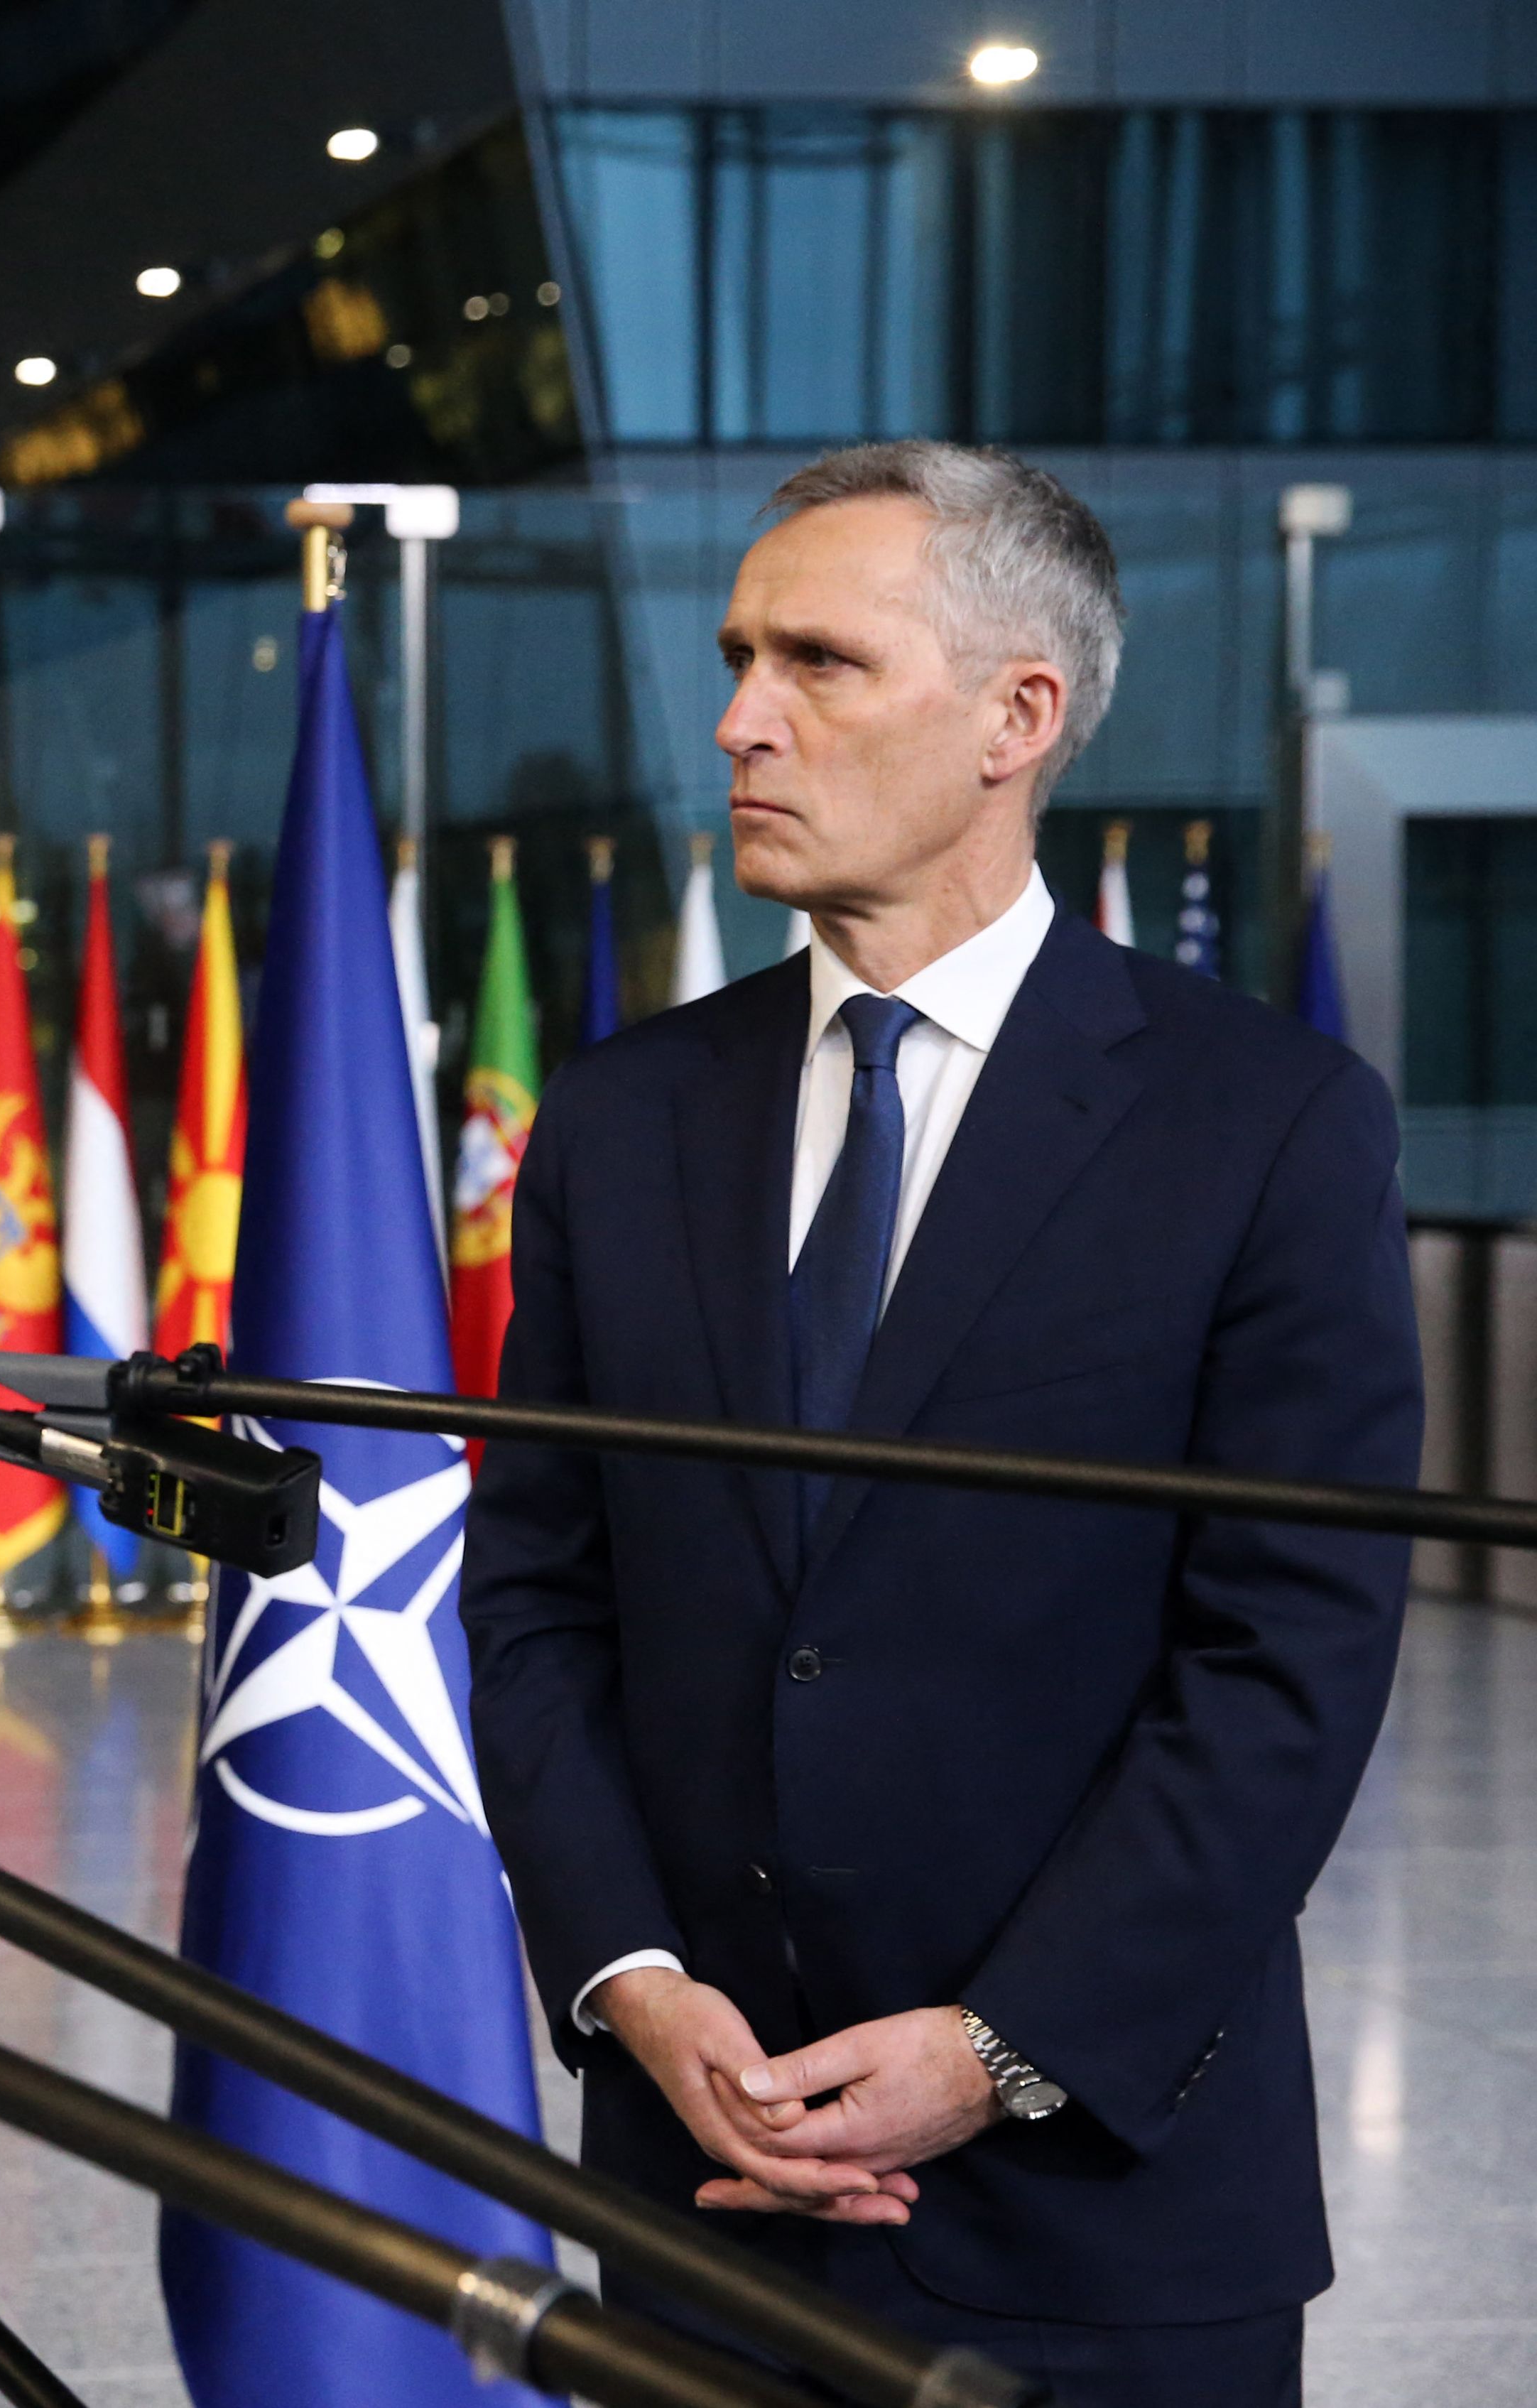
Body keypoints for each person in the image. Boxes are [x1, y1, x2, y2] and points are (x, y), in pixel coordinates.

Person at [462, 441, 1417, 2407]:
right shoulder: (624, 1118)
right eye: (738, 655)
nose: (739, 719)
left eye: (818, 660)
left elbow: (1286, 1665)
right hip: (694, 2202)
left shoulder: (1267, 1125)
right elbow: (538, 1605)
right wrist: (637, 1992)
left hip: (1105, 2212)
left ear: (1019, 716)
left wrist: (994, 2048)